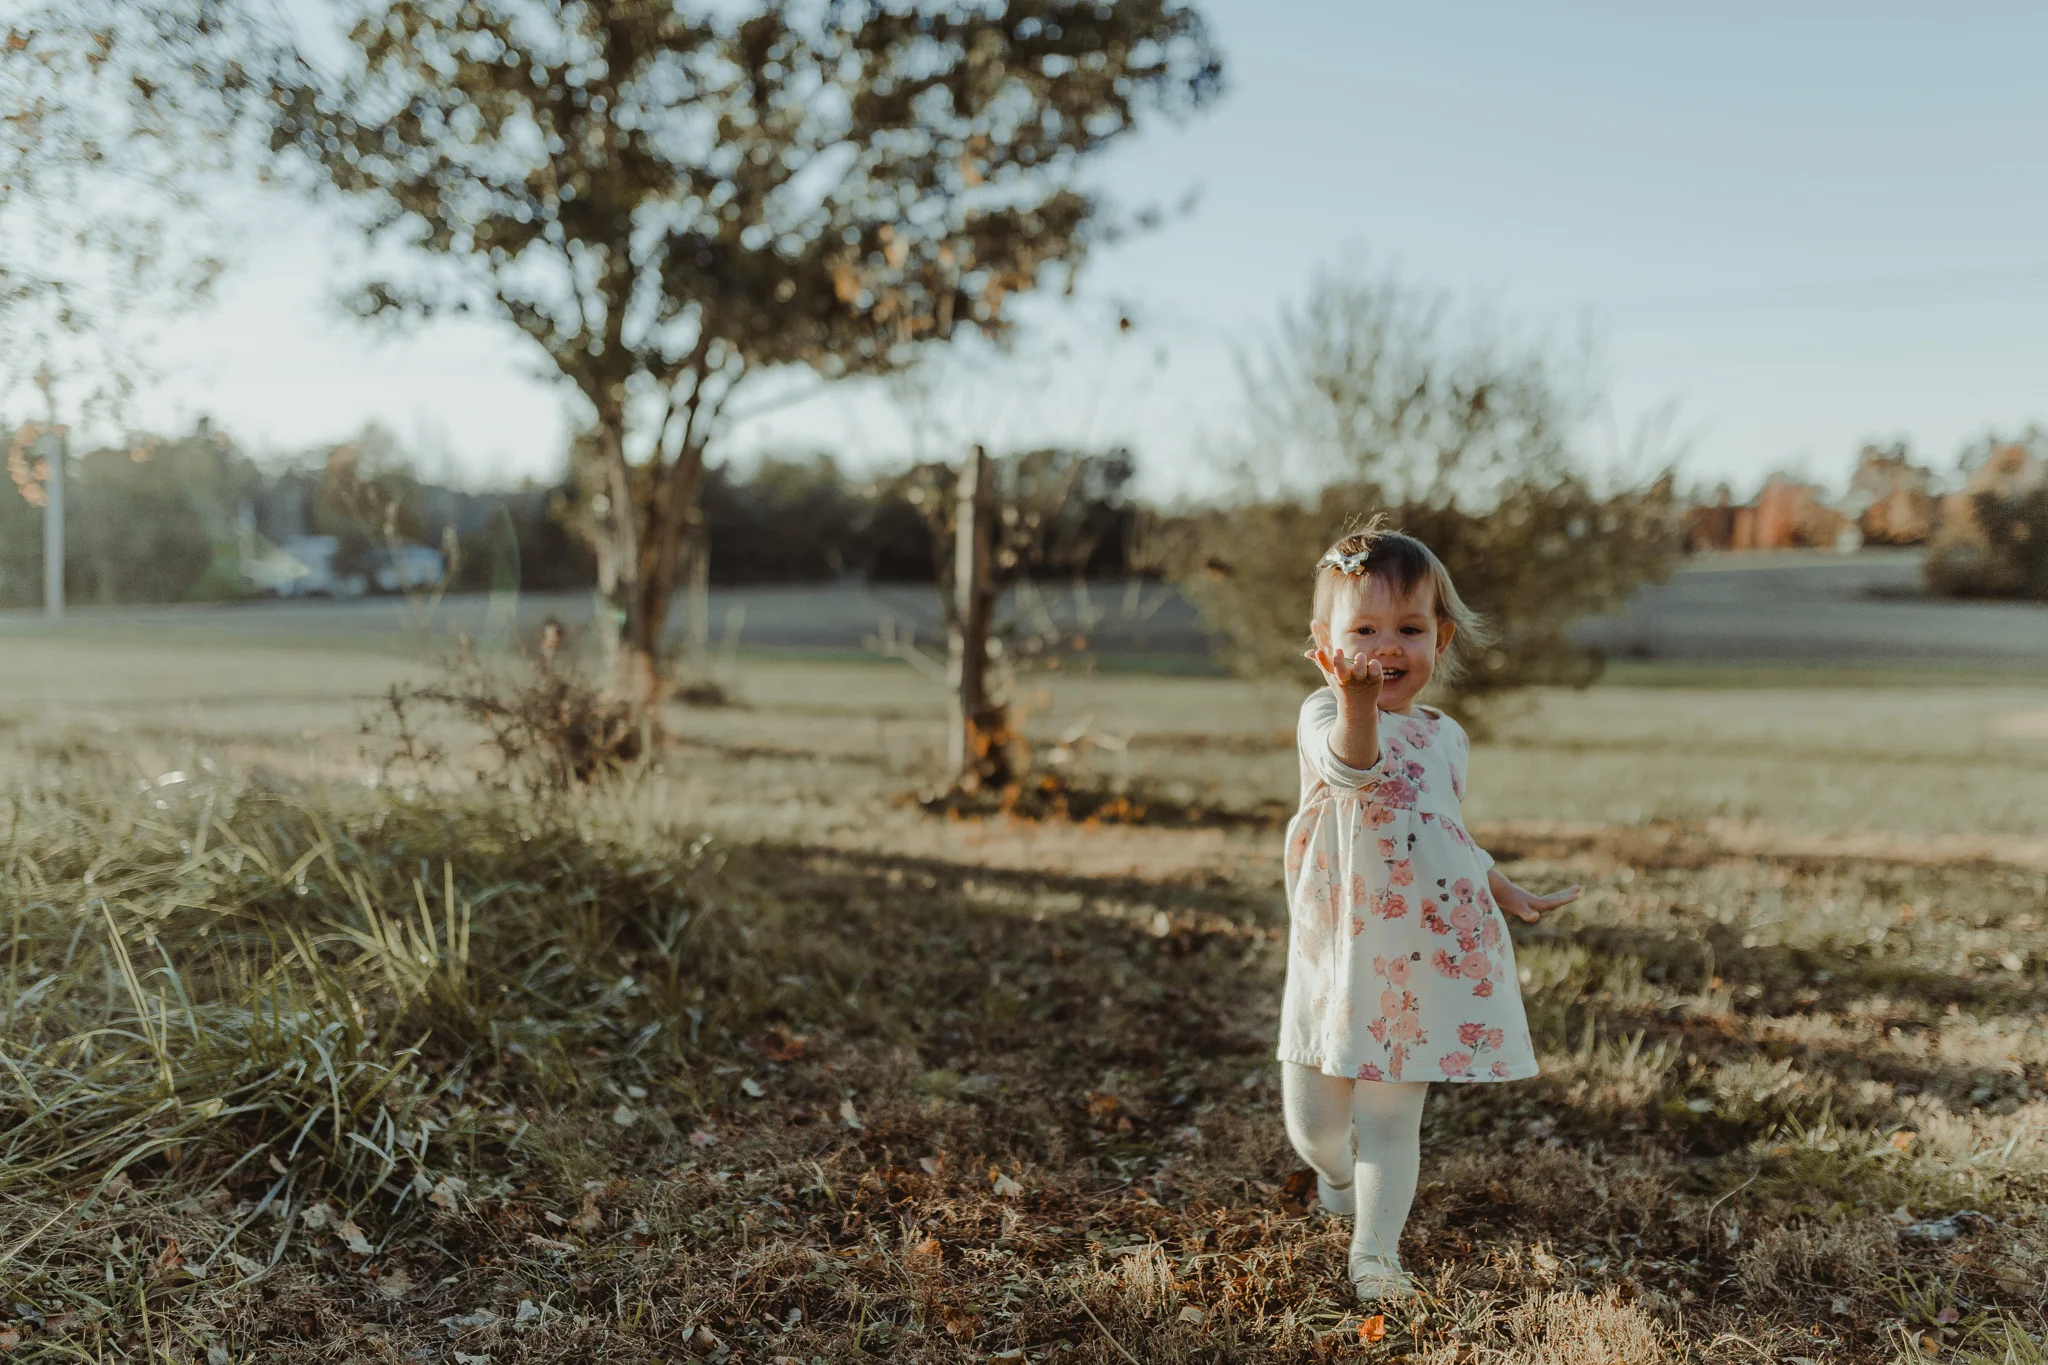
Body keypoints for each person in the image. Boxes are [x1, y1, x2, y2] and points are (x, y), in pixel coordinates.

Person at [1278, 522, 1582, 1304]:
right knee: (1315, 1125)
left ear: (1439, 641)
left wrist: (1502, 886)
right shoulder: (1324, 713)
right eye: (1364, 630)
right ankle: (1335, 1175)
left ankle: (1375, 1254)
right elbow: (1353, 770)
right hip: (1335, 953)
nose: (1387, 647)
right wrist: (1354, 704)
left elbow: (1445, 831)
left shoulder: (1447, 738)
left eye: (1409, 629)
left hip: (1412, 957)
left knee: (1390, 1116)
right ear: (1325, 642)